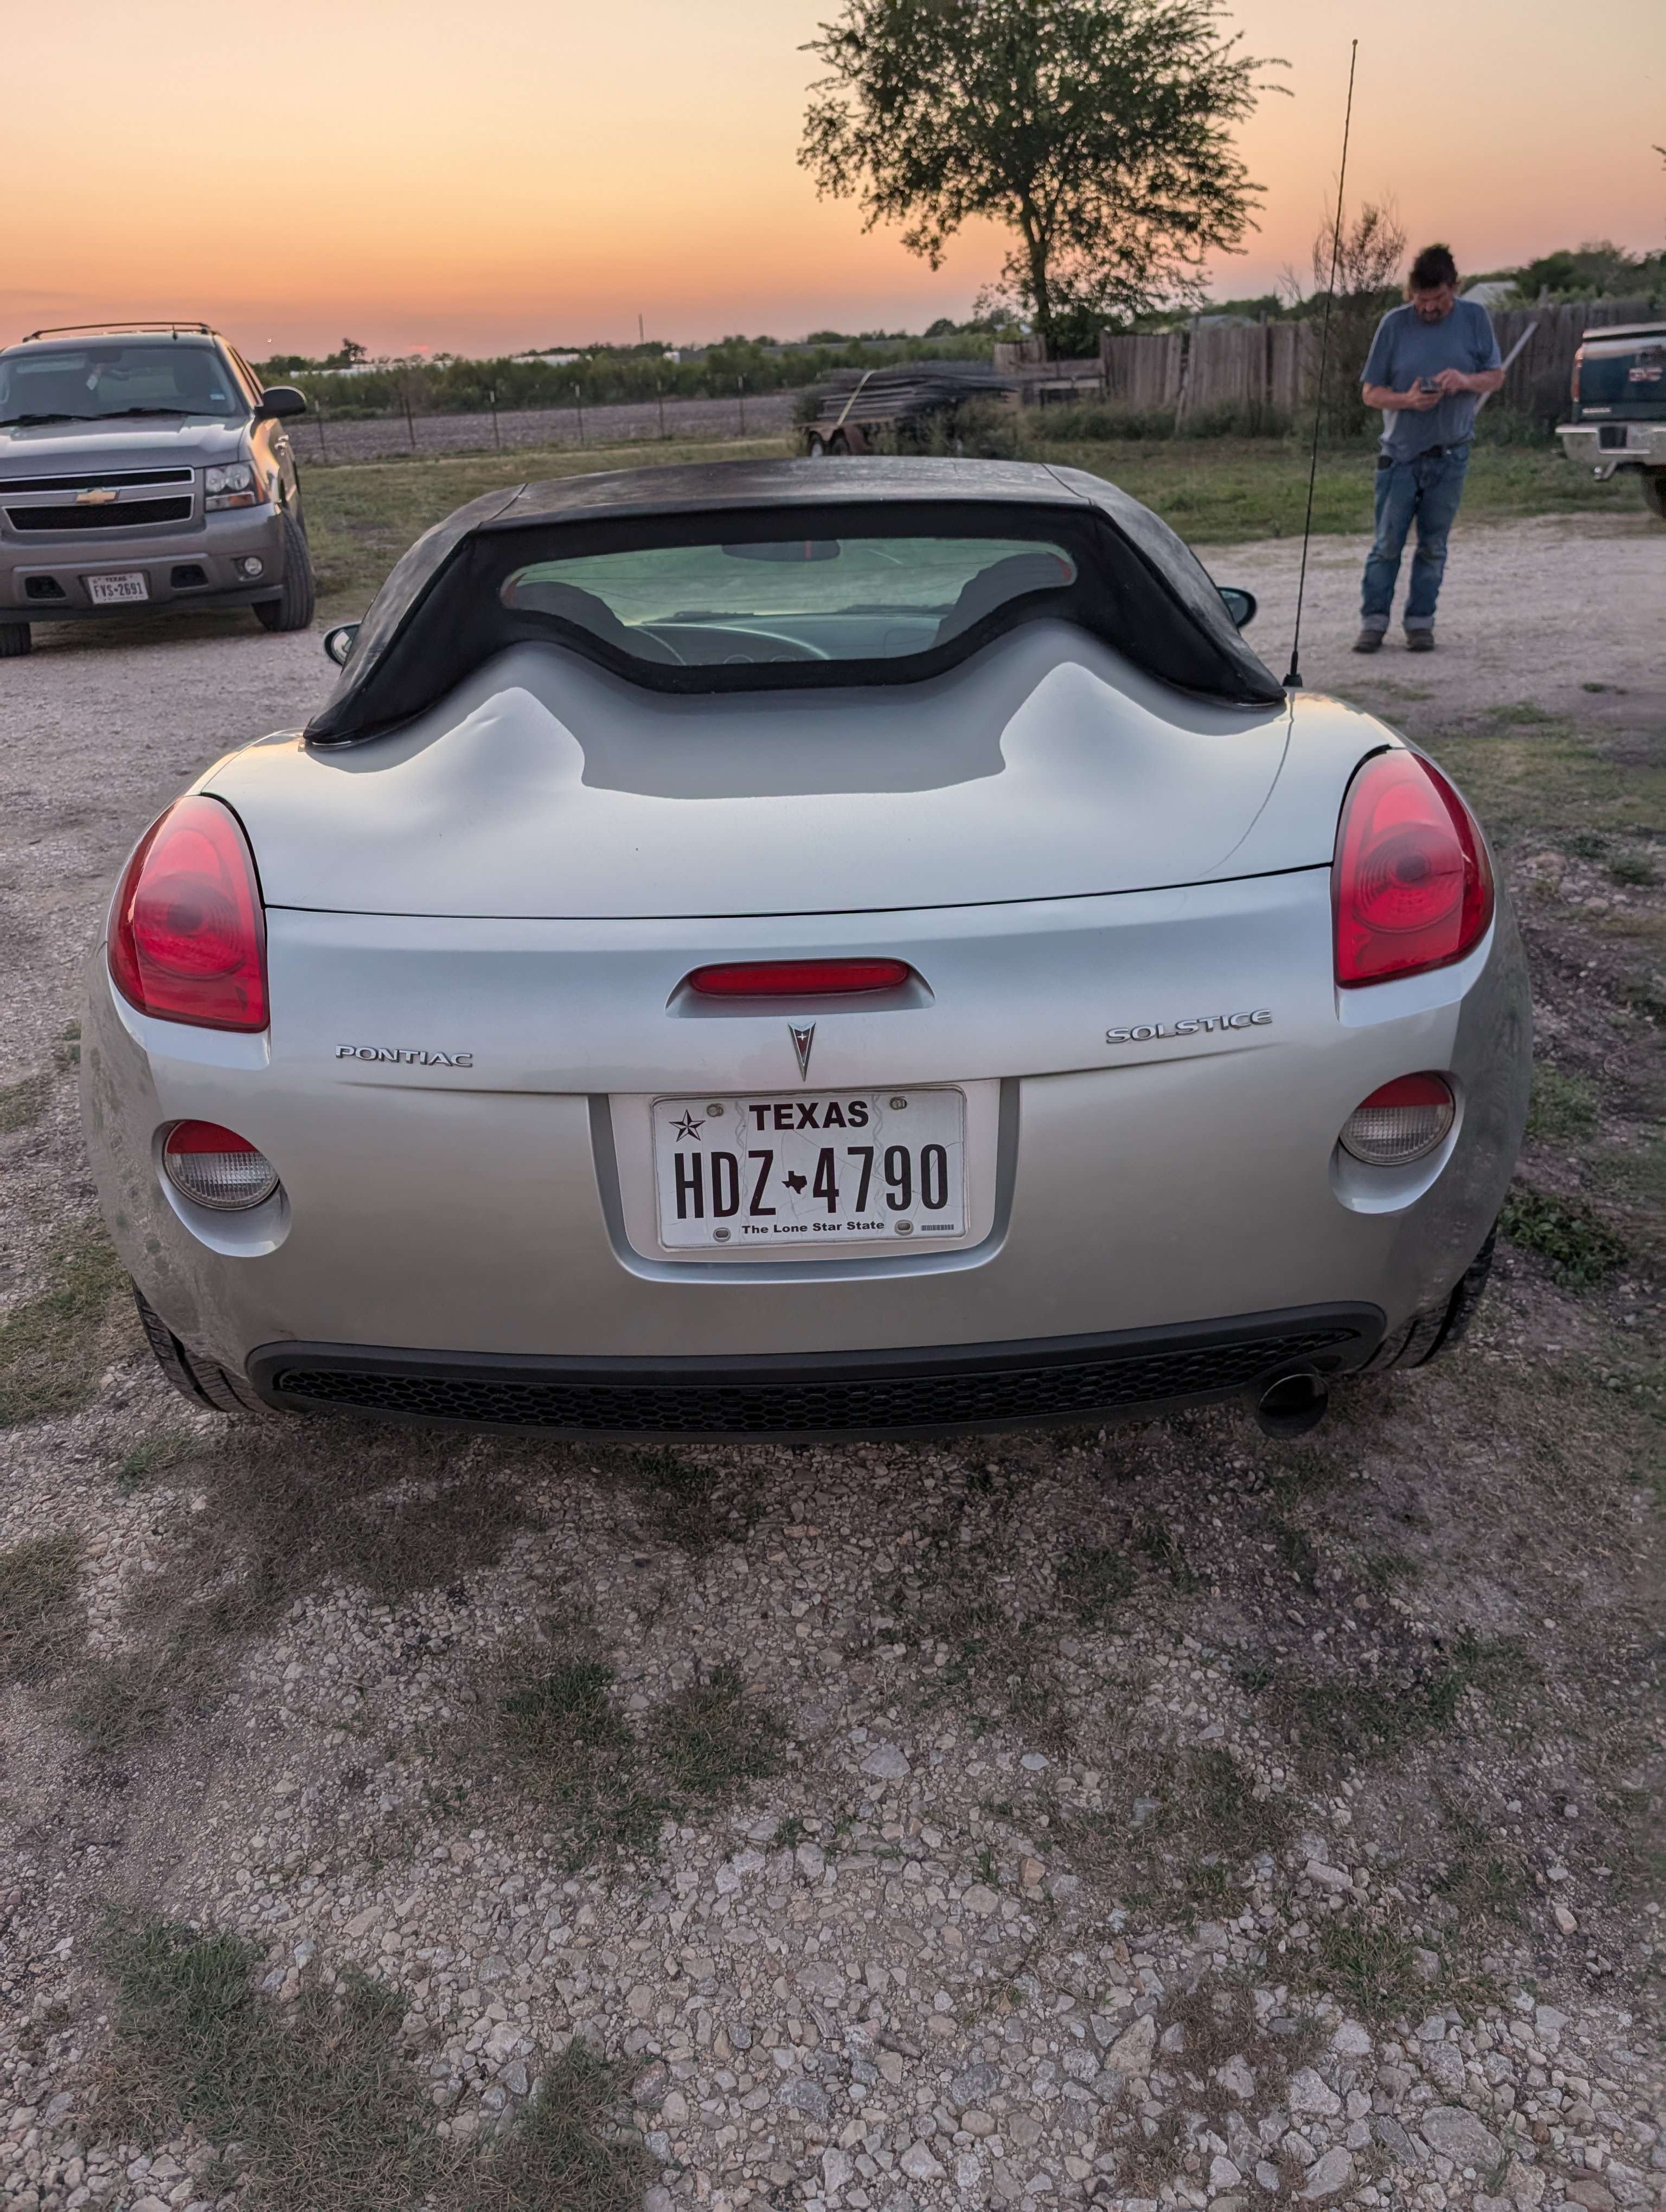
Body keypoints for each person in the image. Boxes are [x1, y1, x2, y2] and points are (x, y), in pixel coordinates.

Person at [1354, 243, 1504, 653]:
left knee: (1434, 546)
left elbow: (1495, 376)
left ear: (1454, 288)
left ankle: (1421, 624)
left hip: (1452, 454)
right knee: (1387, 546)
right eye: (1422, 300)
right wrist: (1407, 400)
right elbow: (1370, 393)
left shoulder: (1476, 319)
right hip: (1400, 456)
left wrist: (1465, 381)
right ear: (1411, 293)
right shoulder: (1394, 325)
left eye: (1438, 300)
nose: (1430, 308)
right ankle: (1373, 624)